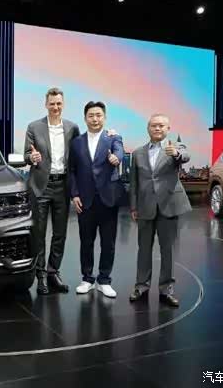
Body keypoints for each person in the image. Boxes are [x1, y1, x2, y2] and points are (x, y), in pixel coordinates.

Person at [129, 113, 191, 307]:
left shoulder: (175, 147)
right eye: (154, 125)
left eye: (161, 126)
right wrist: (133, 206)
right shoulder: (137, 153)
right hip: (145, 207)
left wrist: (176, 153)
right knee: (143, 249)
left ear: (168, 129)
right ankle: (141, 286)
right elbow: (134, 182)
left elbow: (185, 156)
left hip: (169, 206)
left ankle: (166, 289)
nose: (157, 128)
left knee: (168, 250)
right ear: (148, 128)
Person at [24, 87, 80, 295]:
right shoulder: (34, 127)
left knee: (60, 234)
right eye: (52, 103)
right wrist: (31, 158)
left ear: (63, 104)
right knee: (39, 234)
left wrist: (110, 136)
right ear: (46, 104)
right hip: (41, 186)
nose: (55, 107)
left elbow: (79, 152)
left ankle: (53, 272)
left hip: (62, 185)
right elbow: (26, 155)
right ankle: (40, 276)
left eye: (59, 103)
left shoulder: (72, 128)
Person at [70, 101, 124, 298]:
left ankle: (104, 280)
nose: (95, 119)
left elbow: (119, 152)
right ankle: (87, 279)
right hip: (85, 200)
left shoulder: (113, 137)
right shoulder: (76, 142)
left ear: (105, 117)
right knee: (86, 241)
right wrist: (74, 194)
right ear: (85, 118)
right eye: (91, 115)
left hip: (108, 198)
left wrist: (116, 158)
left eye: (99, 115)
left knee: (108, 243)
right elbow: (72, 171)